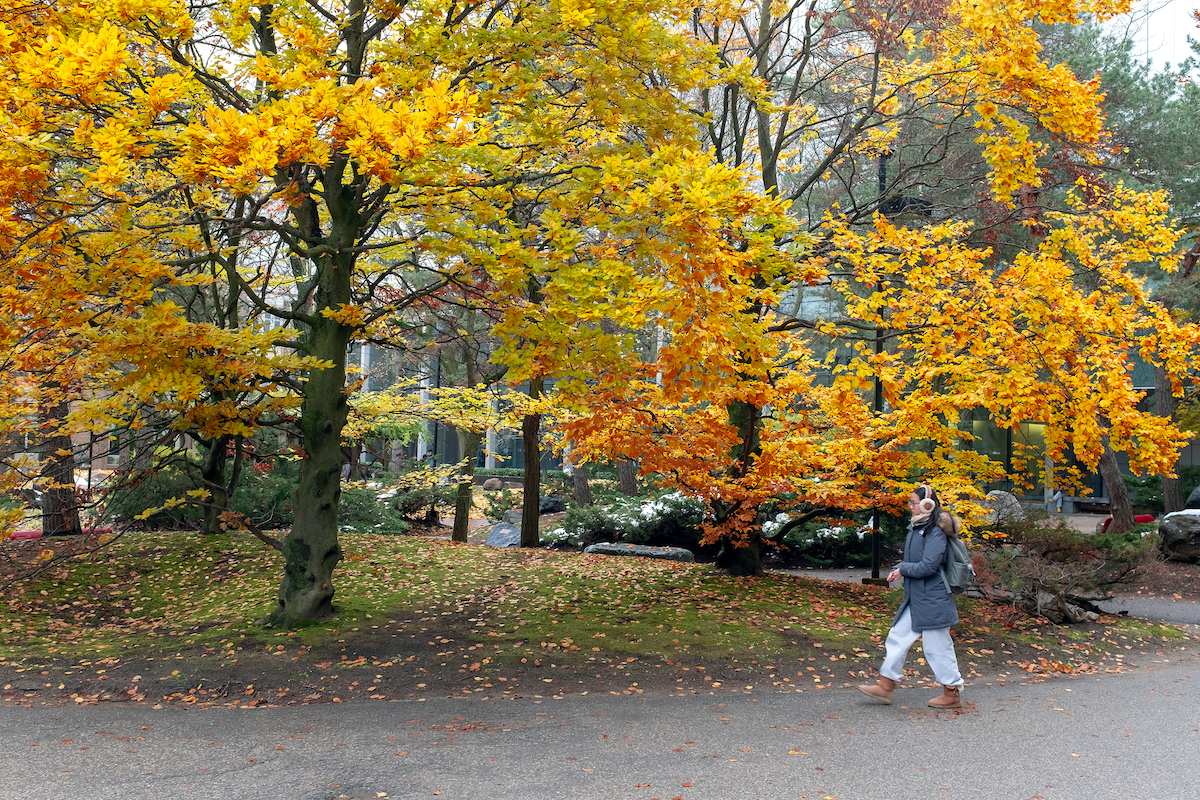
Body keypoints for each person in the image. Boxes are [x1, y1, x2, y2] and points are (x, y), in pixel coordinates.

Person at [857, 483, 964, 708]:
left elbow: (928, 567)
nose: (910, 507)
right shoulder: (917, 527)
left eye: (914, 503)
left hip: (933, 599)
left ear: (927, 505)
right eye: (911, 502)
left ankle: (952, 693)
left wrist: (903, 570)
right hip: (917, 597)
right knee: (896, 637)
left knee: (938, 648)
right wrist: (900, 568)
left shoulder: (935, 531)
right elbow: (914, 562)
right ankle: (886, 686)